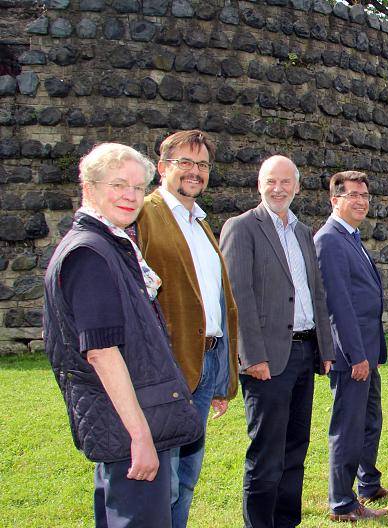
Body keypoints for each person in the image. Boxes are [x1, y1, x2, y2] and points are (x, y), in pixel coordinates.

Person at [43, 143, 203, 526]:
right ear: (90, 187)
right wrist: (140, 436)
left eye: (137, 187)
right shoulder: (90, 254)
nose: (130, 196)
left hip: (131, 416)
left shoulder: (111, 243)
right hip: (129, 424)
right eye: (118, 185)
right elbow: (100, 352)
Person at [219, 156, 336, 528]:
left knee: (295, 449)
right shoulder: (242, 228)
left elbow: (316, 293)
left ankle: (287, 523)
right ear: (259, 184)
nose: (279, 188)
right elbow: (237, 297)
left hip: (303, 353)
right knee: (266, 455)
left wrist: (325, 349)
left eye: (286, 182)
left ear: (297, 187)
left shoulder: (303, 232)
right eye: (271, 181)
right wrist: (251, 356)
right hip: (266, 360)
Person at [135, 130, 239, 528]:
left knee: (187, 477)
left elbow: (217, 301)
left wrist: (221, 377)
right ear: (162, 167)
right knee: (164, 482)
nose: (195, 172)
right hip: (167, 368)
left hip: (205, 363)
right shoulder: (145, 215)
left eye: (202, 165)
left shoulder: (200, 224)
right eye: (185, 163)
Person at [314, 171, 388, 522]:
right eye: (353, 195)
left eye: (365, 195)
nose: (361, 201)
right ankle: (342, 503)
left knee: (370, 419)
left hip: (367, 352)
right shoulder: (329, 239)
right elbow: (338, 304)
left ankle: (368, 484)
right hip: (352, 356)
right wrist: (356, 355)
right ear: (335, 200)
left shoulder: (351, 237)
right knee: (348, 426)